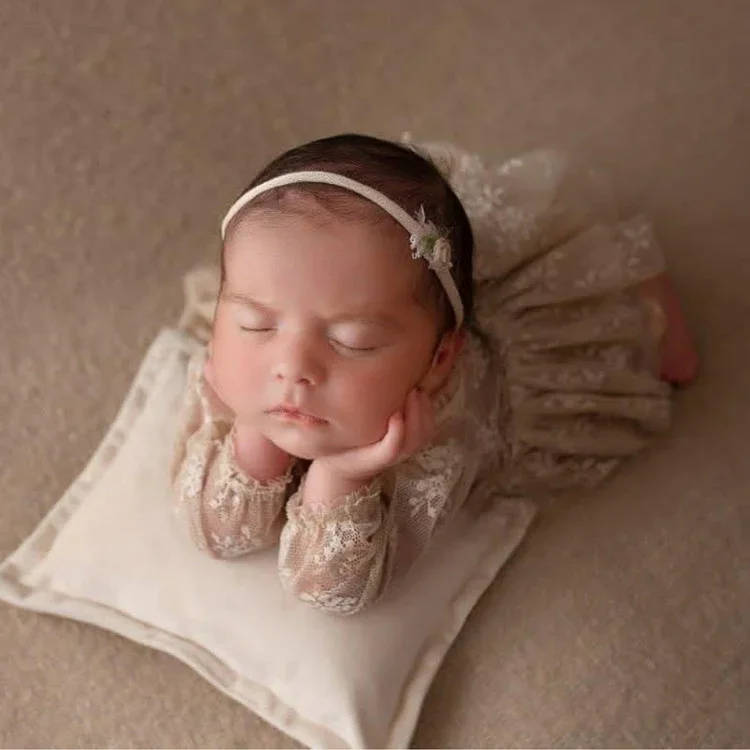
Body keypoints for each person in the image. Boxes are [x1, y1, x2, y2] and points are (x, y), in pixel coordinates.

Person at [171, 133, 698, 616]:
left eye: (352, 341)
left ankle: (650, 293)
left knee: (610, 324)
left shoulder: (431, 444)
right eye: (255, 323)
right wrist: (254, 433)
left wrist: (343, 474)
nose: (292, 368)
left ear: (439, 360)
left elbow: (330, 590)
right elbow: (216, 533)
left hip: (512, 364)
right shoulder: (231, 372)